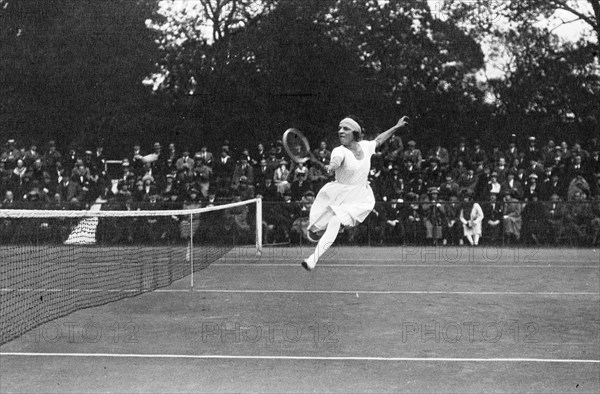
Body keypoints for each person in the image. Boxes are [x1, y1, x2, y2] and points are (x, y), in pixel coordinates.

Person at [301, 115, 409, 271]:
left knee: (335, 221)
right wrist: (331, 167)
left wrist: (396, 127)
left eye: (345, 128)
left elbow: (379, 140)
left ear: (355, 133)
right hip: (339, 194)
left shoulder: (366, 146)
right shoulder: (339, 151)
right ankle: (314, 253)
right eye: (339, 128)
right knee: (333, 222)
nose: (341, 131)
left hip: (359, 196)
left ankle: (313, 257)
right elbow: (336, 161)